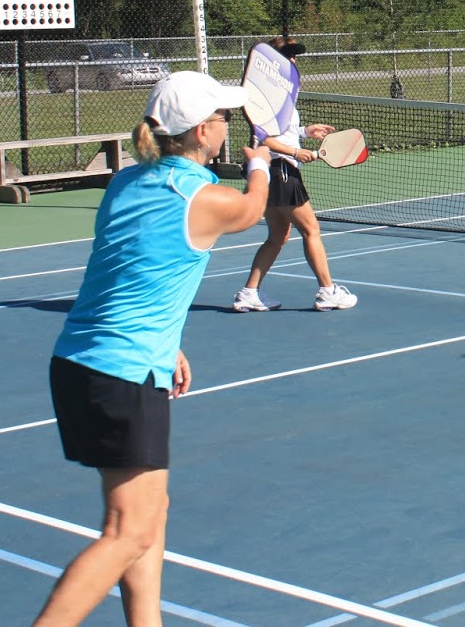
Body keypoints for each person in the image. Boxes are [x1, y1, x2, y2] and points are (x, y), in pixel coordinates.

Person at [36, 72, 270, 626]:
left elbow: (139, 267)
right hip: (121, 375)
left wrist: (171, 344)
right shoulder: (205, 198)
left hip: (81, 362)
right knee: (128, 530)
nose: (227, 126)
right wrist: (262, 163)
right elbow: (251, 209)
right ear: (201, 131)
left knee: (149, 516)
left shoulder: (124, 181)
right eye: (223, 118)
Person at [233, 37, 358, 312]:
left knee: (278, 237)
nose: (293, 61)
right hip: (281, 171)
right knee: (311, 229)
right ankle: (327, 291)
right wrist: (296, 152)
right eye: (288, 56)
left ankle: (249, 293)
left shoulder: (280, 96)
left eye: (294, 56)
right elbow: (262, 139)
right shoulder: (265, 98)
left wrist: (304, 133)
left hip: (273, 171)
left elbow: (279, 131)